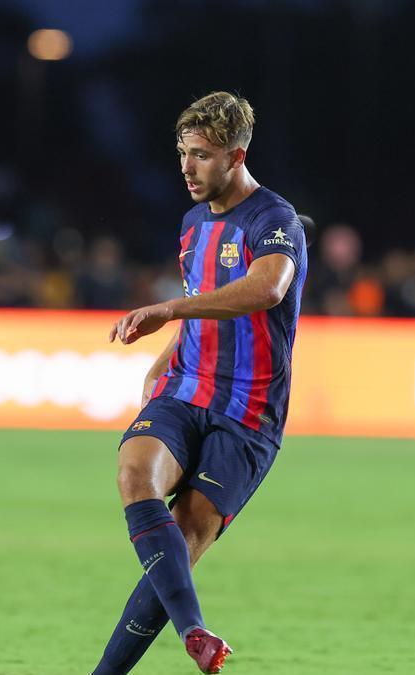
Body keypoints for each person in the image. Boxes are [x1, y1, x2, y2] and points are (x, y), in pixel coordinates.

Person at [93, 91, 307, 674]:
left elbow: (267, 289)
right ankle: (195, 632)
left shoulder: (274, 219)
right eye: (183, 154)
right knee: (135, 473)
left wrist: (168, 310)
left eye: (203, 156)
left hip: (249, 411)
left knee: (181, 545)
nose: (188, 168)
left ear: (237, 156)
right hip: (186, 388)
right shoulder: (192, 224)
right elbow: (202, 302)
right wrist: (165, 357)